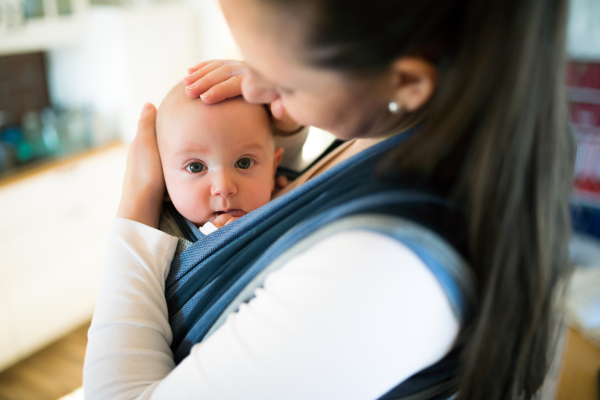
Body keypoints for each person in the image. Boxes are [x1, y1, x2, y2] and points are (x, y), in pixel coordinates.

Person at [83, 1, 575, 400]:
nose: (250, 86)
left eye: (281, 77)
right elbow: (300, 211)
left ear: (406, 81)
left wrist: (137, 209)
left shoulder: (382, 270)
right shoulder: (407, 128)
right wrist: (281, 130)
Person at [155, 82, 284, 254]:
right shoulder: (160, 239)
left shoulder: (285, 199)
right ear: (162, 179)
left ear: (273, 168)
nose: (224, 187)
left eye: (244, 163)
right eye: (195, 167)